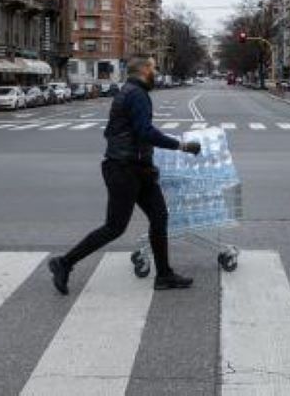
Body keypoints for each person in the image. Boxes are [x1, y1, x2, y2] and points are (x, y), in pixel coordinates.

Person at [48, 57, 201, 294]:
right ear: (142, 71)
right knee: (115, 227)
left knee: (159, 218)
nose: (156, 72)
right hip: (124, 169)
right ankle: (64, 263)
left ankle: (164, 275)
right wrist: (180, 146)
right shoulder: (136, 94)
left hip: (138, 168)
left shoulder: (130, 92)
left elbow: (121, 132)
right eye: (153, 67)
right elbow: (144, 131)